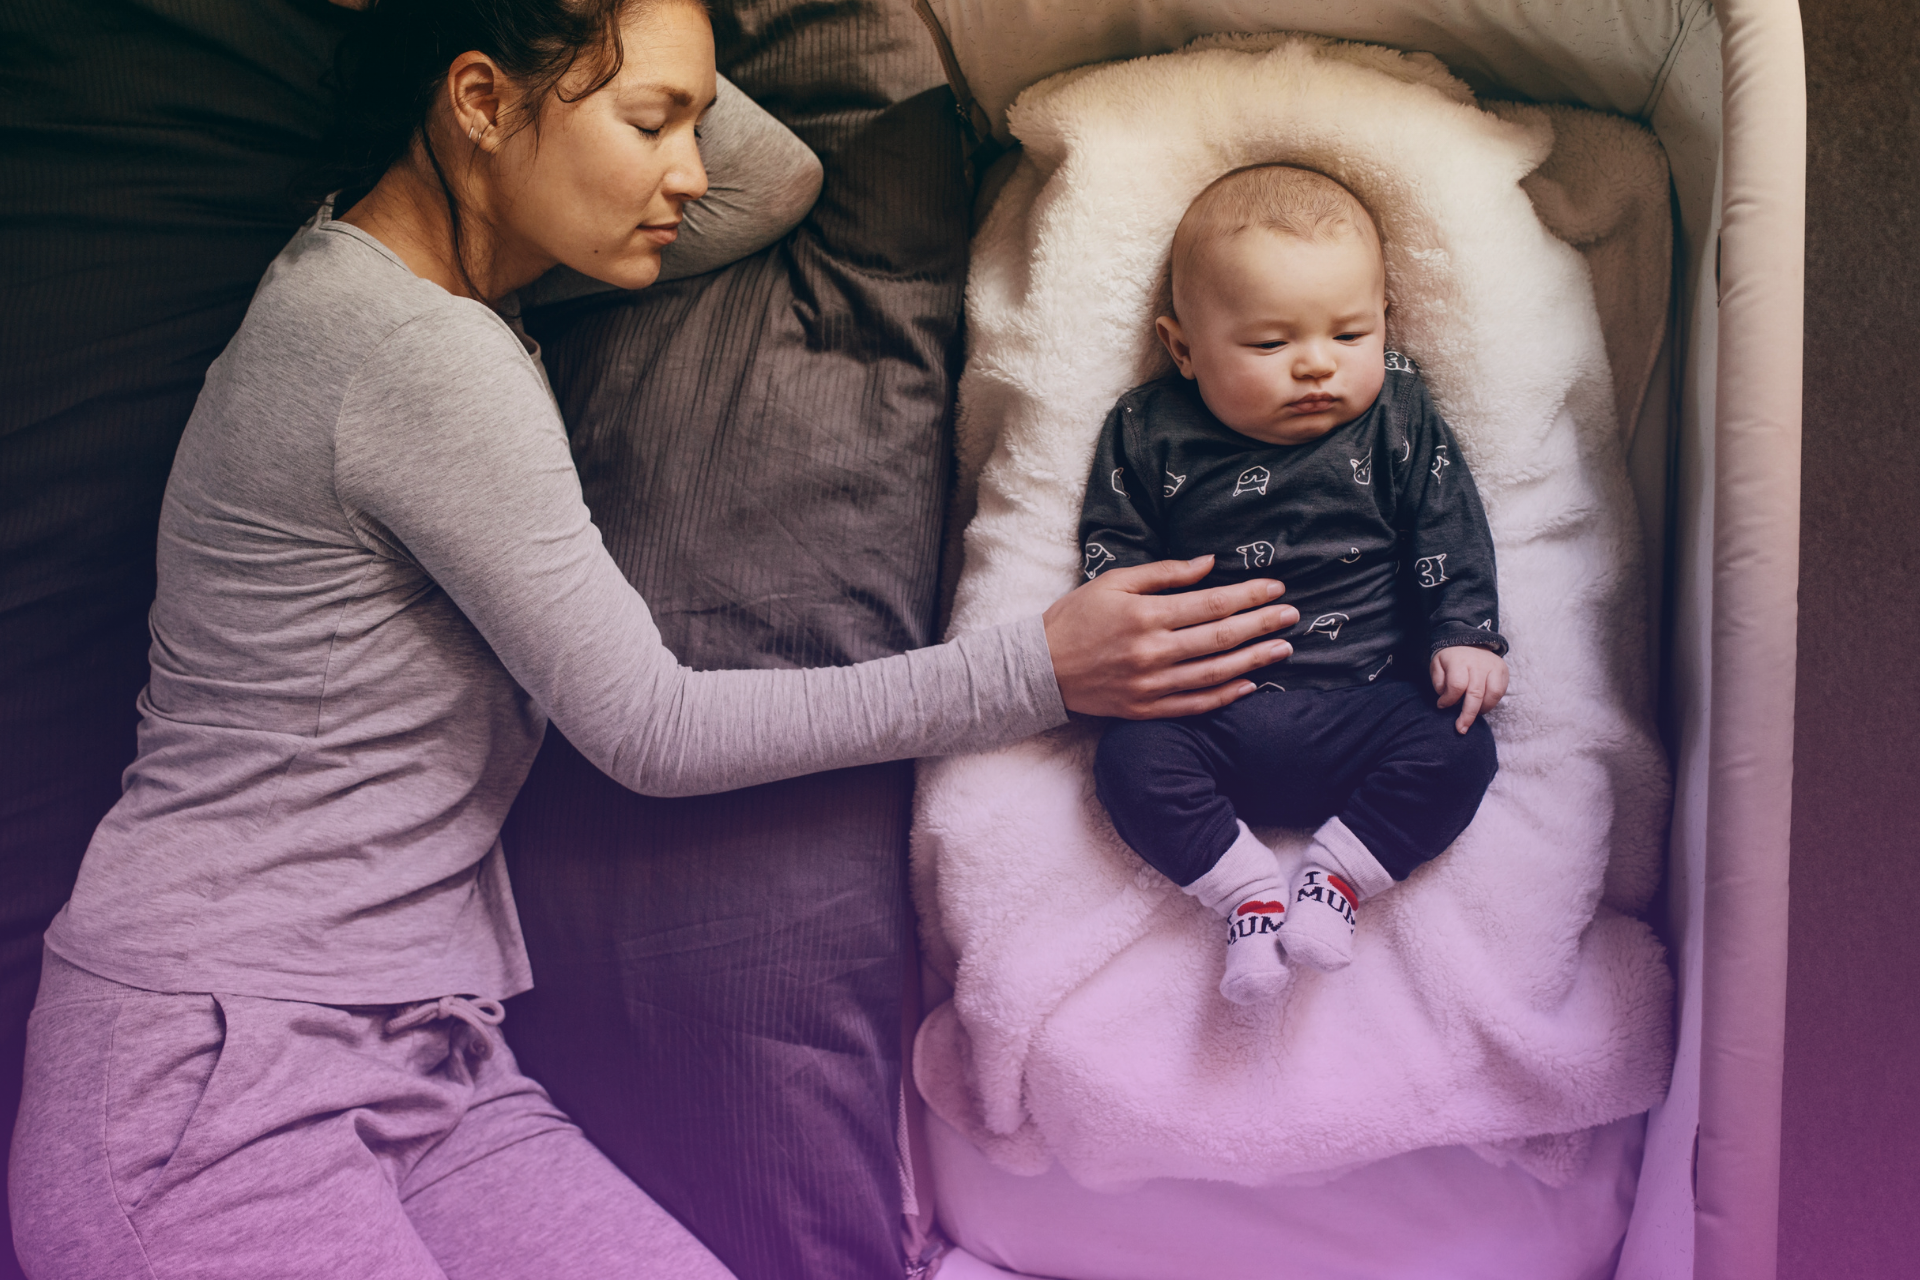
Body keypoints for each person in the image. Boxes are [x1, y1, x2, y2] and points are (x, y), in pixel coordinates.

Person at [5, 0, 1301, 1275]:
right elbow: (653, 727)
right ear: (477, 99)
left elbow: (771, 183)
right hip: (215, 1079)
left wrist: (635, 63)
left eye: (692, 118)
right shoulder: (409, 351)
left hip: (421, 1054)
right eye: (650, 122)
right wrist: (1037, 668)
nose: (688, 170)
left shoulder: (408, 277)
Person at [1079, 164, 1510, 1006]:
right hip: (1208, 707)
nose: (1316, 366)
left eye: (1349, 336)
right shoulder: (1146, 427)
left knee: (1462, 745)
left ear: (1385, 320)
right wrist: (1133, 656)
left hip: (1372, 704)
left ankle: (1336, 879)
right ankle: (1244, 891)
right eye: (1270, 345)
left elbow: (1448, 522)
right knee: (1127, 764)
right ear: (1183, 348)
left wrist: (1465, 633)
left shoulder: (1399, 412)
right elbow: (1115, 549)